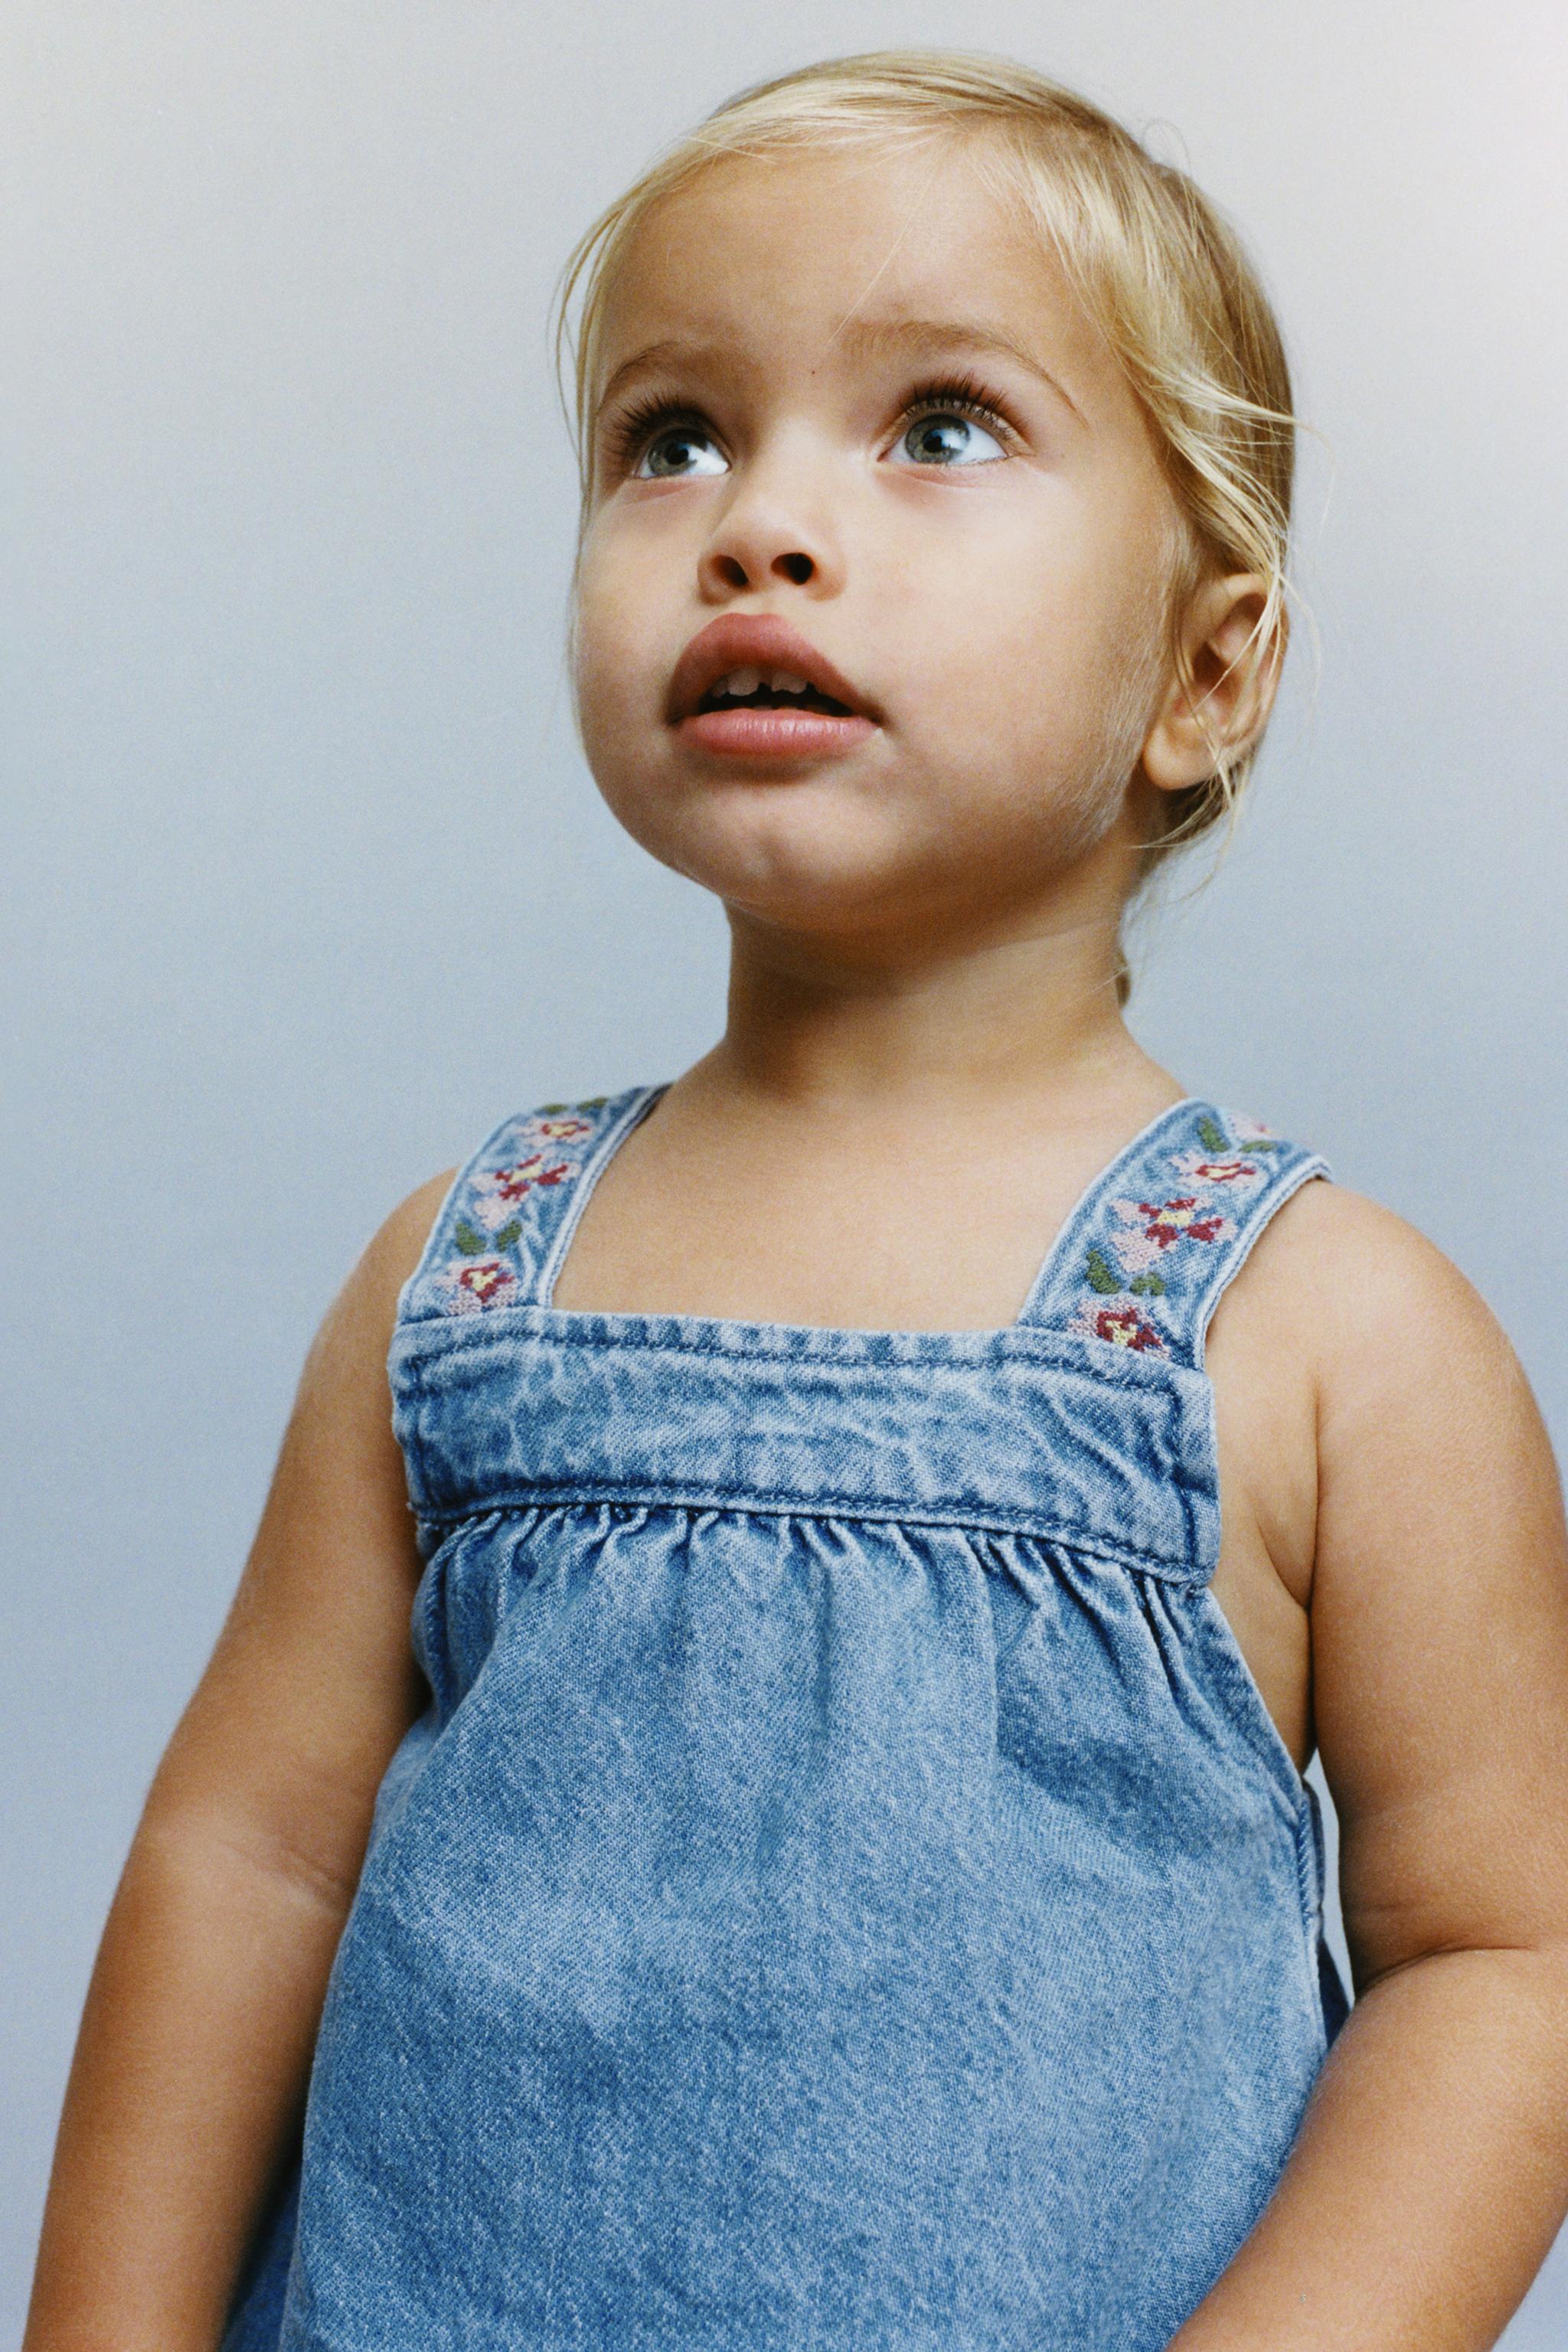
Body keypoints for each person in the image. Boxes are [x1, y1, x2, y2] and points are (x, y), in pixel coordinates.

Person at [24, 48, 1568, 2352]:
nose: (758, 524)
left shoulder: (1330, 1334)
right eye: (672, 438)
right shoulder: (465, 1273)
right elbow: (244, 1859)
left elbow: (1504, 1960)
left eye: (939, 426)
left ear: (1204, 668)